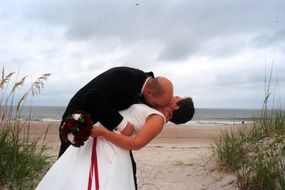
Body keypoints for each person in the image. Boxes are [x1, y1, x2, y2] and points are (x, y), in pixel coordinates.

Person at [36, 97, 195, 190]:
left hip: (111, 147)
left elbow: (136, 144)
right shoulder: (153, 109)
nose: (172, 96)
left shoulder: (158, 120)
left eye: (176, 97)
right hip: (100, 140)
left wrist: (104, 133)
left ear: (175, 105)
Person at [58, 66, 174, 189]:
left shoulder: (149, 86)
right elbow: (92, 99)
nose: (154, 107)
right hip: (78, 123)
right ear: (149, 92)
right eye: (155, 105)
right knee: (69, 169)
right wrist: (122, 125)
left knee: (125, 171)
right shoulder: (121, 76)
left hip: (104, 133)